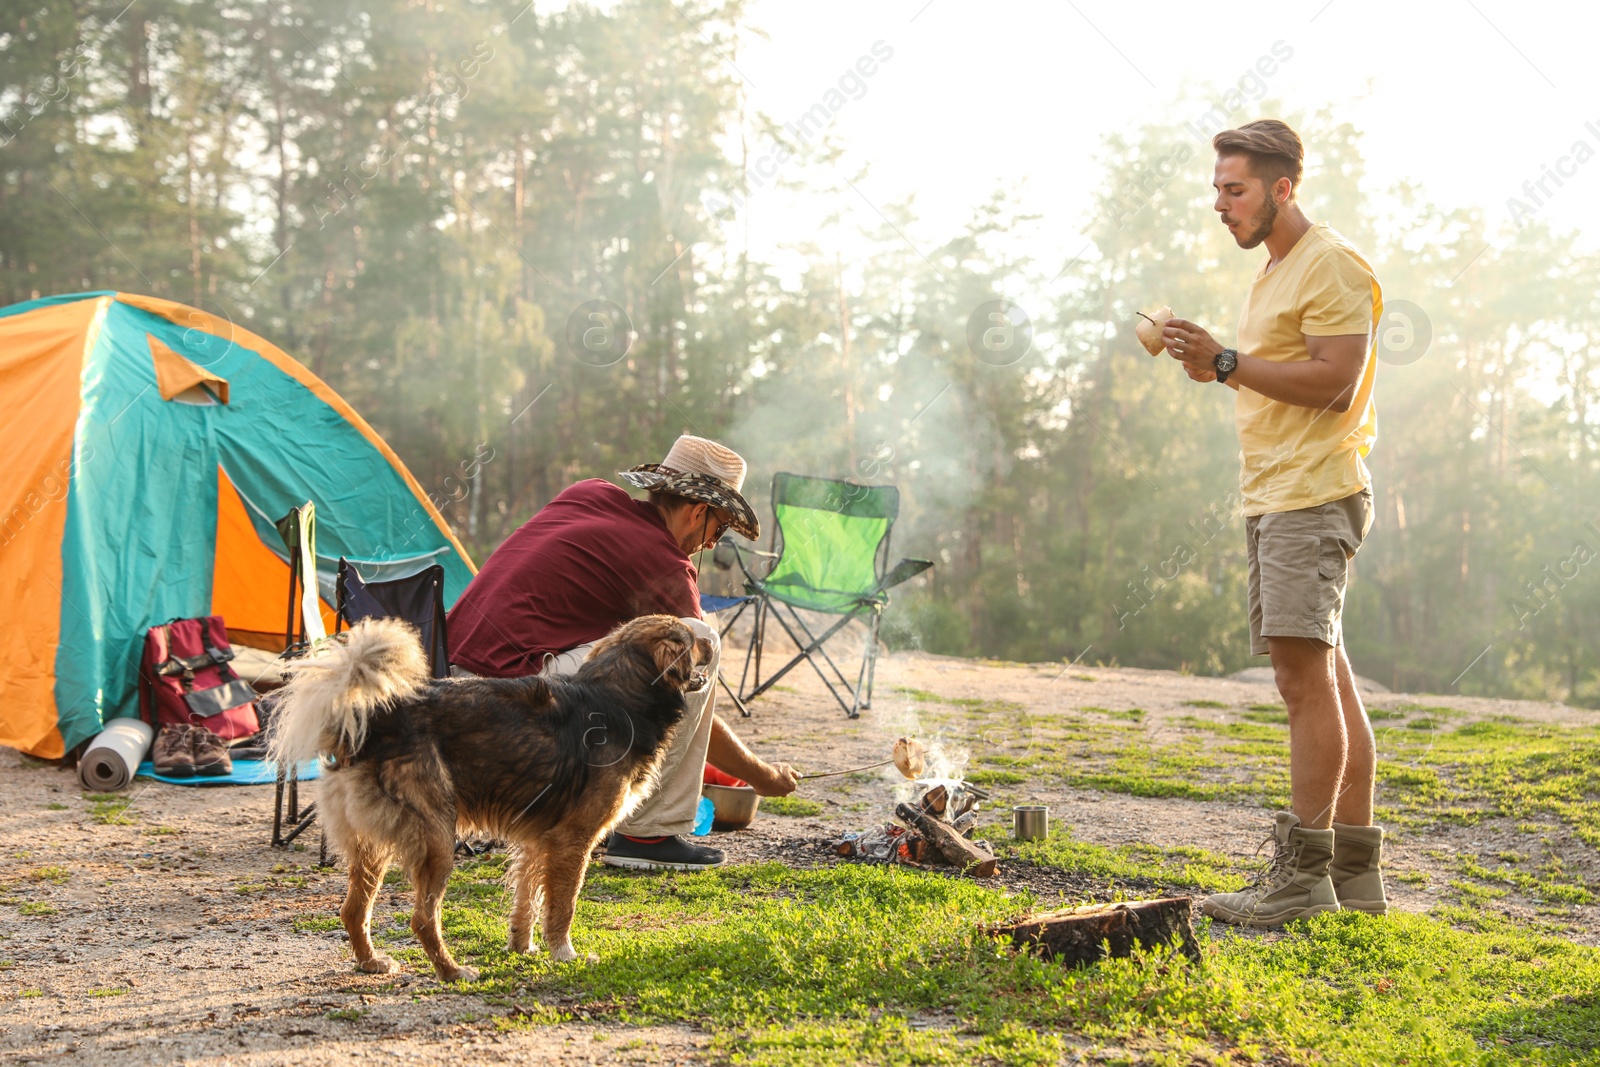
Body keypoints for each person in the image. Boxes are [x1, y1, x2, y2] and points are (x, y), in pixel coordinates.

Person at [1156, 119, 1386, 926]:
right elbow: (1273, 375)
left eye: (1235, 188)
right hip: (1282, 494)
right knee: (1325, 679)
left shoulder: (1331, 264)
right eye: (1217, 188)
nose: (1219, 204)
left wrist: (1225, 361)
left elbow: (1335, 383)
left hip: (1310, 498)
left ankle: (1299, 877)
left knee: (1299, 683)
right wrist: (1215, 363)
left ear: (1283, 186)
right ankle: (1354, 875)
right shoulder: (1277, 272)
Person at [447, 434, 800, 871]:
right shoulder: (662, 561)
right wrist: (760, 775)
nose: (713, 544)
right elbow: (683, 690)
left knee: (639, 655)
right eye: (720, 528)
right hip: (510, 697)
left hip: (450, 679)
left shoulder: (589, 494)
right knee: (696, 637)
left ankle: (610, 806)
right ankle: (647, 835)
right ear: (697, 512)